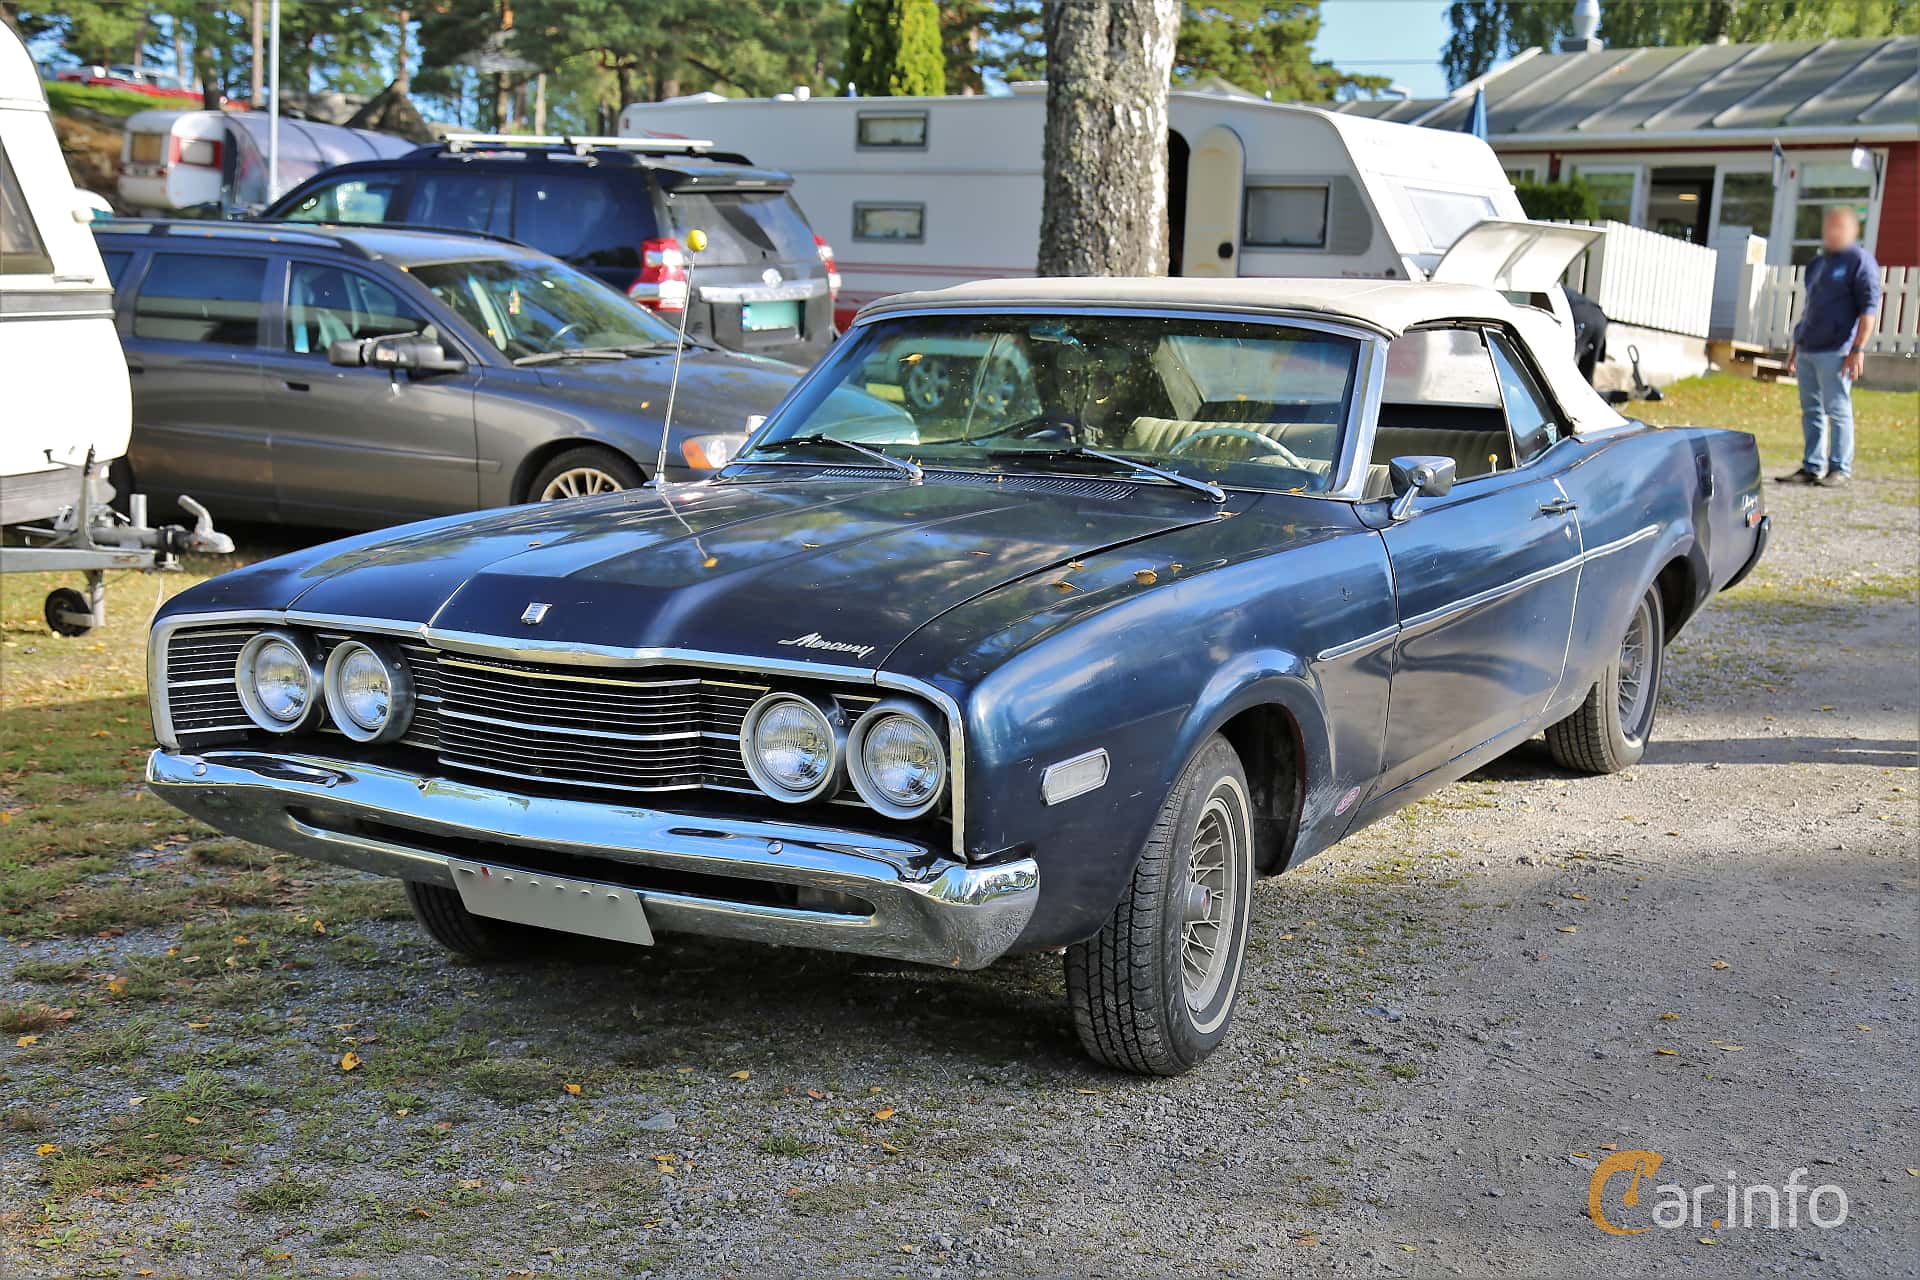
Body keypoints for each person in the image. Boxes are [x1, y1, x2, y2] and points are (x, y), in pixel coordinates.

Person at [1778, 206, 1881, 488]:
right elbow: (1809, 309)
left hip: (1838, 351)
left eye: (1839, 227)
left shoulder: (1860, 261)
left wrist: (1857, 349)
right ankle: (1811, 467)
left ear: (1852, 231)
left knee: (1837, 409)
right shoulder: (1818, 265)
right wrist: (1796, 347)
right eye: (1828, 227)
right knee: (1811, 410)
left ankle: (1839, 468)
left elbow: (1868, 309)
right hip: (1809, 348)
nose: (1831, 232)